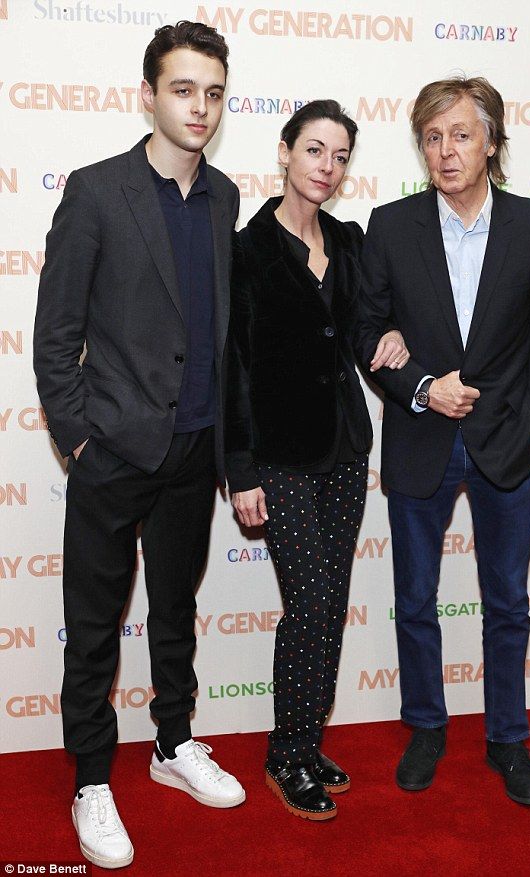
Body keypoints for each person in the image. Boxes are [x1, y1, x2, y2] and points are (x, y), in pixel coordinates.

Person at [33, 21, 245, 869]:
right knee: (93, 624)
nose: (201, 106)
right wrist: (80, 440)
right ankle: (92, 775)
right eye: (185, 89)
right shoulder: (96, 191)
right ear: (149, 94)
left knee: (176, 610)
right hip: (113, 449)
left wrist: (229, 446)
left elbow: (220, 331)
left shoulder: (226, 196)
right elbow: (56, 338)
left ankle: (173, 743)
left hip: (195, 450)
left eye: (215, 92)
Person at [355, 76, 530, 807]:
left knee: (506, 600)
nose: (446, 151)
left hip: (506, 439)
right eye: (433, 137)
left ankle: (508, 736)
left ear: (492, 141)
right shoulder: (389, 225)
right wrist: (420, 385)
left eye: (462, 135)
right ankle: (426, 726)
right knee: (415, 597)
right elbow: (367, 332)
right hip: (420, 435)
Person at [225, 100, 409, 821]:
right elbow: (232, 367)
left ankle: (305, 741)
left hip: (344, 447)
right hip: (280, 456)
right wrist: (239, 468)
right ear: (284, 152)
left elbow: (365, 324)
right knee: (307, 603)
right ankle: (285, 752)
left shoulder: (349, 239)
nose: (326, 168)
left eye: (338, 157)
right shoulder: (246, 250)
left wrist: (390, 331)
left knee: (328, 605)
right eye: (314, 151)